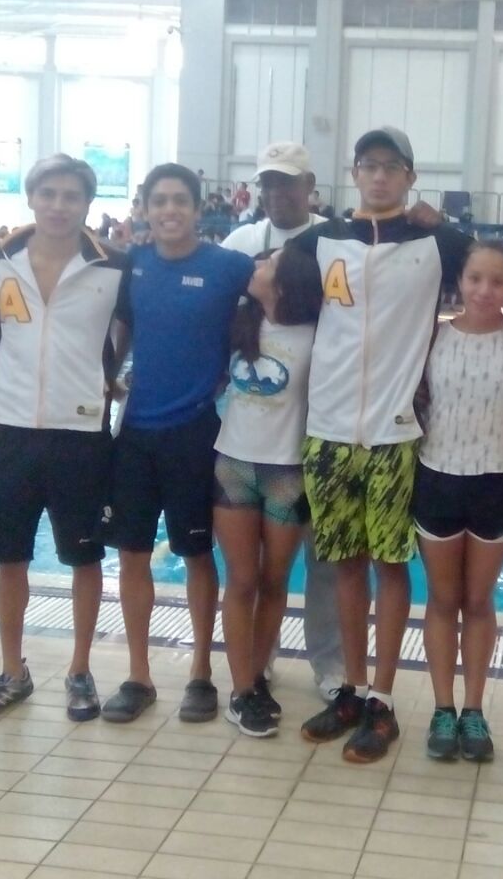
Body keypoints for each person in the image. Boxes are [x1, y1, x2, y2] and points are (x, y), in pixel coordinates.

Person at [287, 127, 473, 764]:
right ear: (355, 173)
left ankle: (383, 701)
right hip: (328, 431)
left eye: (392, 166)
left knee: (391, 566)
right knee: (344, 563)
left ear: (410, 178)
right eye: (369, 165)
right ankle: (351, 688)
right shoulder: (319, 242)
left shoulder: (436, 245)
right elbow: (262, 283)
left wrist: (444, 222)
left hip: (395, 434)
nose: (380, 176)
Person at [0, 154, 126, 722]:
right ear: (31, 197)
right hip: (11, 428)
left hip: (81, 432)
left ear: (87, 203)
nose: (59, 205)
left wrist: (107, 375)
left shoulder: (113, 265)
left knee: (85, 557)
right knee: (8, 556)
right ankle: (13, 671)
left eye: (71, 196)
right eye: (48, 194)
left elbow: (127, 328)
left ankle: (80, 670)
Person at [98, 165, 255, 725]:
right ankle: (138, 675)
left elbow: (281, 289)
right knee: (132, 554)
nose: (169, 210)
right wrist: (107, 376)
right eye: (159, 201)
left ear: (197, 207)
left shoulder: (227, 266)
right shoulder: (132, 264)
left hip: (194, 432)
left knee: (196, 554)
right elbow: (120, 327)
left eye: (179, 200)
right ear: (143, 208)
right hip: (136, 433)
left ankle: (200, 672)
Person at [222, 142, 342, 703]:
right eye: (267, 183)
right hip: (247, 448)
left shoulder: (336, 242)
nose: (276, 193)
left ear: (310, 185)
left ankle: (330, 662)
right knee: (251, 574)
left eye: (287, 182)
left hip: (309, 442)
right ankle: (257, 663)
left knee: (323, 561)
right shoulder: (240, 244)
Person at [416, 241, 503, 763]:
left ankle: (473, 708)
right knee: (443, 600)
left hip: (499, 481)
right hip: (438, 477)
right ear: (460, 281)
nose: (485, 290)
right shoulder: (435, 337)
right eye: (475, 278)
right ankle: (443, 708)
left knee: (479, 601)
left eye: (497, 281)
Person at [216, 248, 322, 737]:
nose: (255, 268)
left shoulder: (316, 335)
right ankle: (240, 690)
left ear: (283, 283)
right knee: (241, 580)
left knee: (274, 581)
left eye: (267, 265)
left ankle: (257, 676)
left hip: (288, 472)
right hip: (233, 466)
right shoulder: (239, 322)